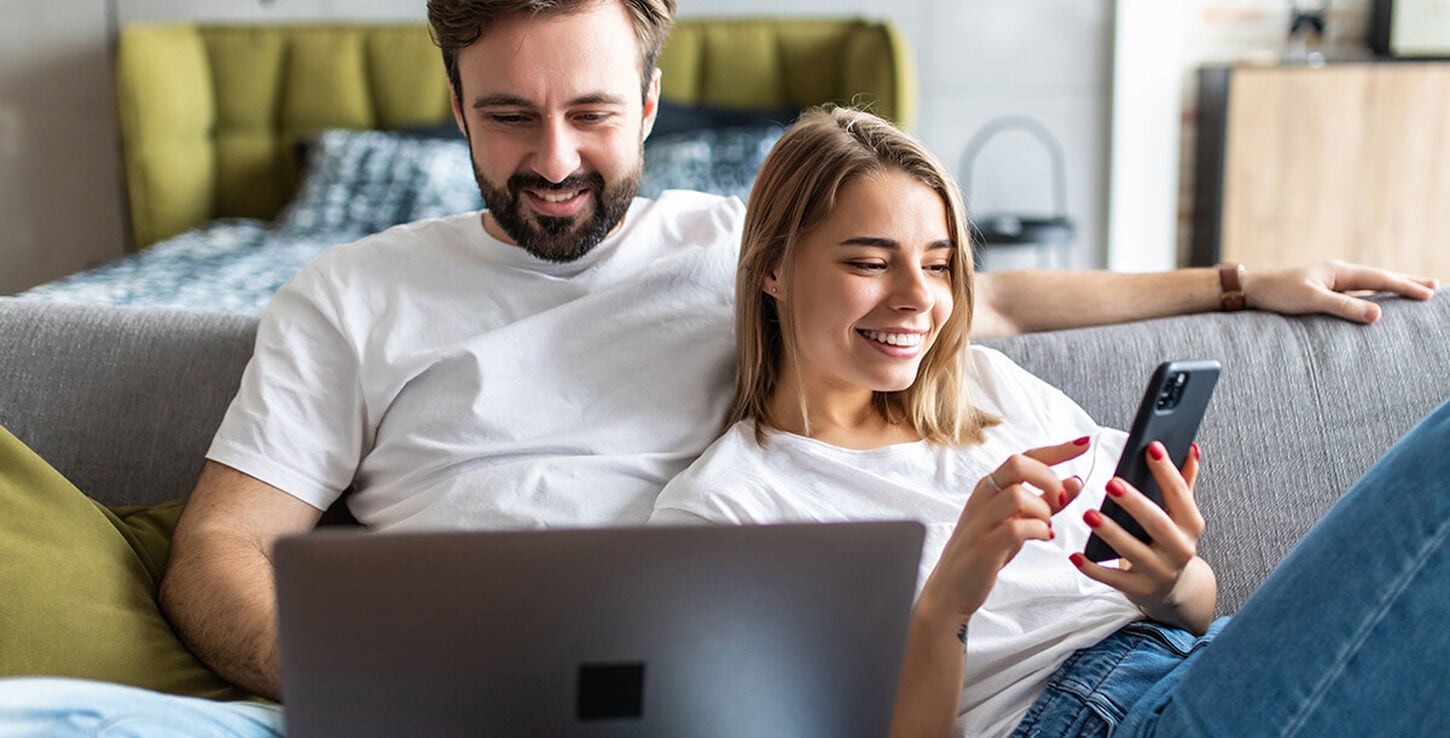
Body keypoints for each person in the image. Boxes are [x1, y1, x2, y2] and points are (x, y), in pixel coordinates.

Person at [0, 0, 1437, 735]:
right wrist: (373, 698)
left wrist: (1237, 281)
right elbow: (221, 551)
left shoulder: (733, 241)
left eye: (588, 113)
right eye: (505, 118)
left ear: (650, 98)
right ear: (451, 103)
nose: (551, 160)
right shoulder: (350, 297)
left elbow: (965, 299)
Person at [649, 106, 1450, 737]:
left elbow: (1198, 606)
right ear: (773, 268)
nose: (918, 297)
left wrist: (1172, 582)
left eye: (938, 265)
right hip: (1093, 719)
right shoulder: (727, 512)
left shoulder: (987, 387)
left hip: (1203, 659)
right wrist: (945, 606)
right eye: (868, 262)